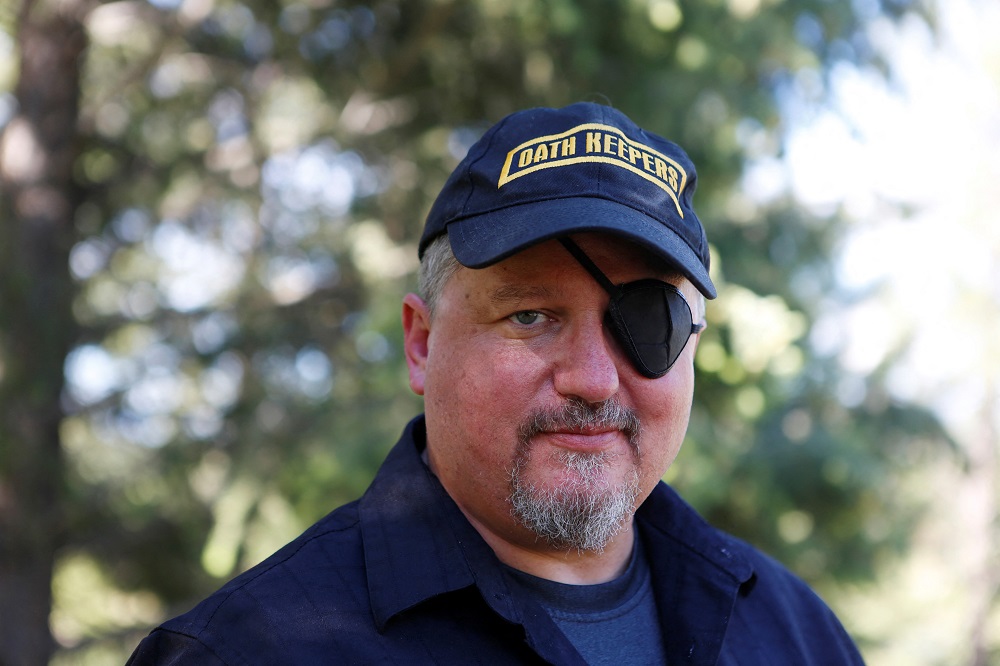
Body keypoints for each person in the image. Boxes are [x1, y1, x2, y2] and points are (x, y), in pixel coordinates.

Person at [128, 102, 864, 665]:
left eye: (646, 323)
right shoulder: (252, 651)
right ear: (421, 345)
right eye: (531, 315)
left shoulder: (796, 636)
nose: (592, 378)